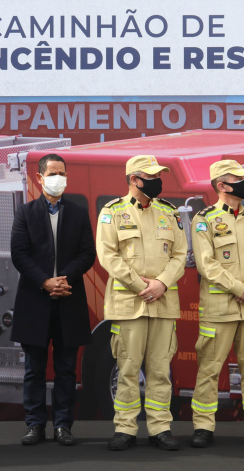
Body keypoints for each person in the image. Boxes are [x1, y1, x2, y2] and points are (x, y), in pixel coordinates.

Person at [96, 155, 187, 451]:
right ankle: (125, 428)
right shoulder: (112, 212)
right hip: (129, 304)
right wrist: (140, 286)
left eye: (158, 175)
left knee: (160, 370)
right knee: (127, 369)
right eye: (151, 176)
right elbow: (108, 256)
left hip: (163, 302)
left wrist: (162, 283)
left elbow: (180, 254)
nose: (157, 181)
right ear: (134, 179)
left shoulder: (169, 212)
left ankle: (160, 428)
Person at [189, 160, 244, 449]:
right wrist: (239, 288)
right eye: (238, 179)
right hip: (219, 310)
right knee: (210, 369)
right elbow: (206, 265)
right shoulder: (204, 219)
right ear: (221, 185)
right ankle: (203, 426)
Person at [11, 154, 96, 446]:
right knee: (34, 369)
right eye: (52, 173)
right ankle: (35, 424)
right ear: (40, 178)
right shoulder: (25, 212)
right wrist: (45, 282)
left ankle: (63, 425)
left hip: (69, 299)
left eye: (62, 173)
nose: (58, 178)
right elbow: (19, 253)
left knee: (66, 369)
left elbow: (87, 253)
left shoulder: (78, 213)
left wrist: (63, 279)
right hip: (35, 301)